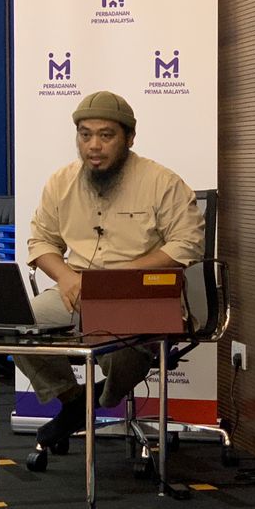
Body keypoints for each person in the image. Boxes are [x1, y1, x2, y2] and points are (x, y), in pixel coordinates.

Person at [19, 90, 205, 458]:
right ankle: (75, 401)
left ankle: (100, 399)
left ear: (129, 138)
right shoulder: (60, 182)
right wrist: (66, 277)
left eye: (106, 136)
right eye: (85, 135)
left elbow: (187, 245)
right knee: (23, 327)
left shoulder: (162, 182)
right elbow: (40, 241)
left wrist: (123, 276)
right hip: (77, 289)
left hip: (140, 292)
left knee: (121, 347)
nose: (94, 146)